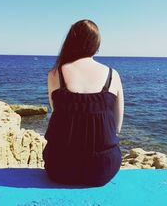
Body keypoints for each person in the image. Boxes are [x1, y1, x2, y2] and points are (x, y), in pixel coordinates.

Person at [43, 19, 124, 186]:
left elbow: (56, 110)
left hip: (60, 167)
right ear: (97, 44)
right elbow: (117, 127)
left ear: (70, 42)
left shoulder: (55, 74)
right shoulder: (112, 75)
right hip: (103, 169)